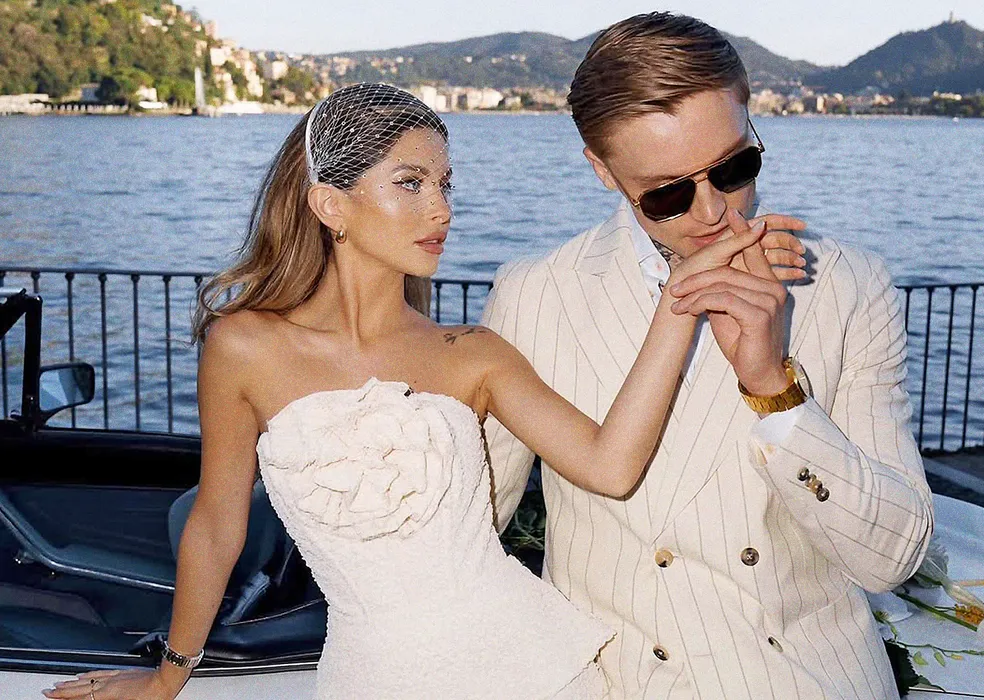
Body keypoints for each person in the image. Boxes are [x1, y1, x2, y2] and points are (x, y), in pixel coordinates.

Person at [43, 84, 804, 700]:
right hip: (373, 679)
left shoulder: (470, 354)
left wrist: (681, 296)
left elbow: (611, 465)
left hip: (541, 674)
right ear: (330, 204)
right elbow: (216, 524)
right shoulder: (244, 347)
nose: (441, 209)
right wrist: (170, 675)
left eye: (444, 184)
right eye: (409, 183)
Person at [482, 13, 935, 700]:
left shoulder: (847, 284)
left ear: (752, 126)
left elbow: (892, 558)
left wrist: (774, 389)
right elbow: (470, 531)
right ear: (602, 171)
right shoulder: (535, 295)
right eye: (667, 193)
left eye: (734, 167)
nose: (716, 212)